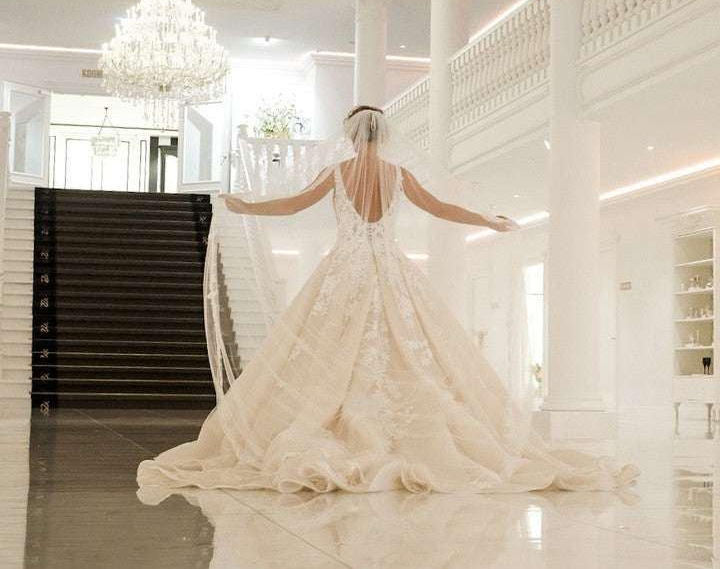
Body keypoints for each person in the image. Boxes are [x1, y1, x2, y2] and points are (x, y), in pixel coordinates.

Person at [137, 106, 638, 495]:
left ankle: (337, 421)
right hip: (391, 266)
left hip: (346, 267)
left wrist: (243, 205)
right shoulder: (399, 175)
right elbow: (441, 207)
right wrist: (486, 219)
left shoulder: (338, 172)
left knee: (330, 345)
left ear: (351, 135)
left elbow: (292, 205)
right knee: (410, 345)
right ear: (383, 135)